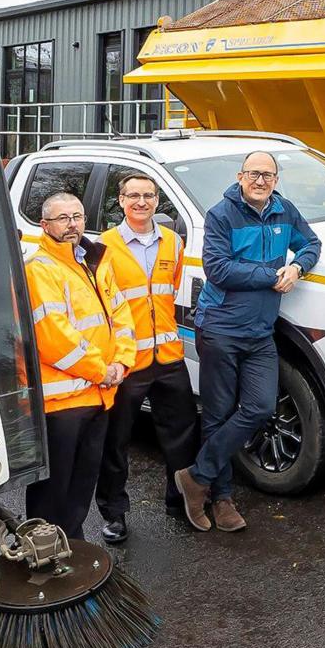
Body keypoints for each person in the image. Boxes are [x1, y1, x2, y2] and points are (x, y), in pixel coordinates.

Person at [183, 150, 321, 533]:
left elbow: (311, 243)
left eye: (268, 175)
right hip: (221, 329)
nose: (261, 181)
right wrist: (271, 273)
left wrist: (298, 266)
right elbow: (218, 269)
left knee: (260, 408)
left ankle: (196, 476)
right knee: (219, 414)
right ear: (240, 176)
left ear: (276, 180)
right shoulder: (221, 215)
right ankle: (222, 498)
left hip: (260, 332)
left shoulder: (284, 210)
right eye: (254, 174)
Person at [96, 172, 201, 538]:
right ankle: (114, 513)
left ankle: (180, 501)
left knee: (182, 434)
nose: (142, 202)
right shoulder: (104, 246)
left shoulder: (173, 242)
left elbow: (168, 293)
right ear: (121, 201)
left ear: (158, 201)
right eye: (134, 196)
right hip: (127, 361)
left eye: (149, 196)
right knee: (116, 439)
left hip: (169, 357)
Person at [25, 192, 123, 538]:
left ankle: (72, 548)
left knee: (82, 483)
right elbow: (54, 337)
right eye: (63, 218)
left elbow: (119, 317)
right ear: (45, 225)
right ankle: (40, 553)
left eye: (77, 217)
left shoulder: (92, 263)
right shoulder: (40, 269)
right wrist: (103, 370)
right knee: (53, 489)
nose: (72, 225)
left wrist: (122, 362)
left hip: (98, 395)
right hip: (62, 404)